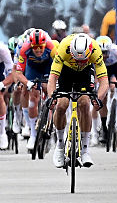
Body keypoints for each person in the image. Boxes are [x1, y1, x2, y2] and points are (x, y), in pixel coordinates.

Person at [46, 33, 108, 168]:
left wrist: (98, 98)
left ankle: (85, 150)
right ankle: (60, 146)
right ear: (71, 52)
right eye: (77, 60)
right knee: (61, 105)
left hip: (85, 73)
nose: (80, 62)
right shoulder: (63, 47)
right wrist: (52, 98)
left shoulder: (95, 50)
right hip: (66, 71)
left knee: (85, 103)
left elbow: (104, 81)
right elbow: (52, 78)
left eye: (83, 60)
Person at [13, 29, 58, 151]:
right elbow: (18, 73)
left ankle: (50, 120)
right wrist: (28, 83)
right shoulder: (25, 48)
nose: (38, 50)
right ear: (31, 46)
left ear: (45, 45)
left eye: (41, 47)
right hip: (32, 69)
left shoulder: (51, 46)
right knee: (33, 95)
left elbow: (59, 65)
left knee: (48, 89)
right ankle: (33, 133)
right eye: (35, 48)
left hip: (48, 66)